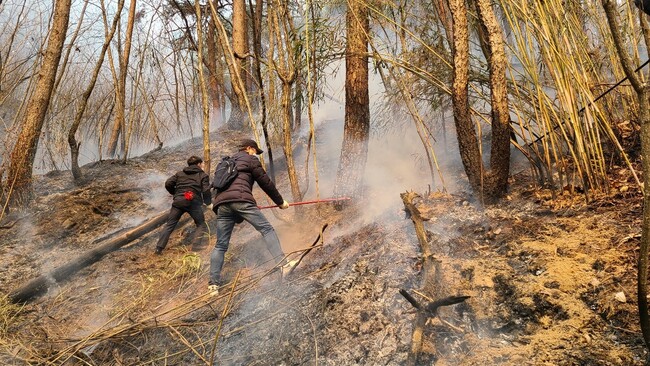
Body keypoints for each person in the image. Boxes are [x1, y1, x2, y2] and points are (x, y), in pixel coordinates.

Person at [208, 138, 289, 292]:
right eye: (255, 151)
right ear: (249, 148)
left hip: (222, 205)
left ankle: (213, 285)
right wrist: (280, 202)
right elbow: (266, 183)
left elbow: (218, 187)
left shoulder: (226, 162)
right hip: (241, 201)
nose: (255, 154)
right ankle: (283, 264)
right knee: (267, 229)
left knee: (220, 245)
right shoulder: (250, 160)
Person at [155, 156, 211, 255]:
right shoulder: (202, 175)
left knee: (169, 225)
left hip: (178, 202)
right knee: (201, 224)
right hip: (193, 202)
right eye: (201, 164)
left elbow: (168, 183)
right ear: (198, 164)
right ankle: (196, 247)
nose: (202, 165)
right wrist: (208, 202)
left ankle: (158, 248)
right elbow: (206, 190)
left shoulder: (179, 174)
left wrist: (175, 194)